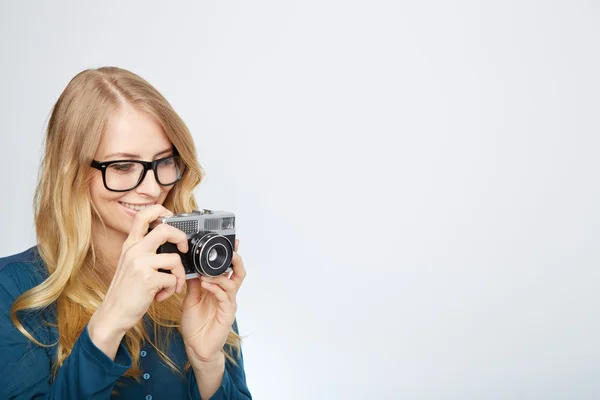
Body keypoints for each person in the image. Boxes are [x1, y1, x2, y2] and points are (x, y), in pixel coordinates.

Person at [0, 67, 252, 399]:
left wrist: (208, 365)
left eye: (164, 162)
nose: (151, 188)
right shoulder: (13, 290)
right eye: (122, 166)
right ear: (71, 170)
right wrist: (109, 323)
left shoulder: (194, 282)